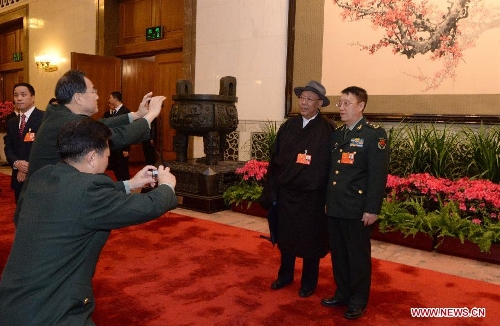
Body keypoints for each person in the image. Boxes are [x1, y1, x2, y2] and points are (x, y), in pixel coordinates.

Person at [0, 118, 178, 325]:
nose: (107, 162)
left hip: (12, 303)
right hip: (51, 311)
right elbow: (146, 207)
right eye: (107, 156)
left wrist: (132, 183)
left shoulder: (44, 176)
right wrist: (166, 187)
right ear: (93, 157)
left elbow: (80, 197)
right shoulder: (88, 191)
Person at [259, 80, 334, 298]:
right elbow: (275, 161)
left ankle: (309, 282)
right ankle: (285, 276)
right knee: (287, 237)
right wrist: (272, 191)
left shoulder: (328, 129)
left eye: (310, 99)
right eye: (302, 98)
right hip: (288, 194)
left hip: (313, 196)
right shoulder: (288, 127)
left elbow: (330, 165)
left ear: (319, 103)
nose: (304, 102)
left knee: (311, 239)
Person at [322, 86, 389, 320]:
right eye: (339, 103)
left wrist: (372, 208)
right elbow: (334, 171)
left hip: (357, 208)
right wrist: (328, 201)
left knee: (357, 257)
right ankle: (342, 293)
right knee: (339, 254)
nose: (340, 107)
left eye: (346, 103)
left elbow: (378, 175)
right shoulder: (338, 134)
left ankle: (358, 299)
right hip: (337, 205)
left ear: (360, 106)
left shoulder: (374, 134)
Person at [3, 83, 44, 202]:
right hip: (18, 177)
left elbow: (43, 147)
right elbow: (8, 147)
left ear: (33, 97)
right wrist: (17, 164)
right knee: (20, 214)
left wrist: (26, 167)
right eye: (16, 95)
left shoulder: (44, 118)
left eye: (23, 94)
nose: (19, 98)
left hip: (37, 176)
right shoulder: (12, 122)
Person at [104, 91, 131, 180]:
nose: (109, 100)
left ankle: (127, 190)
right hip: (115, 146)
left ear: (115, 99)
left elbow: (128, 131)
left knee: (123, 169)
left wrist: (126, 149)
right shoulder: (114, 112)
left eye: (110, 98)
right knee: (117, 169)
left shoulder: (125, 111)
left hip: (122, 147)